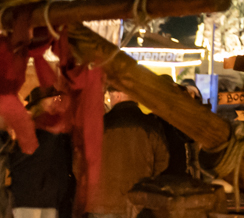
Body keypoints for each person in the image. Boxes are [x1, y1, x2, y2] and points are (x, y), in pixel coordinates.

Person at [88, 89, 168, 218]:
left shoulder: (98, 126)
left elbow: (80, 163)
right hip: (138, 203)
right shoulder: (151, 125)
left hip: (102, 203)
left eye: (110, 95)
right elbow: (162, 162)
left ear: (118, 95)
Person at [6, 86, 74, 218]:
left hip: (45, 197)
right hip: (31, 197)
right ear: (41, 103)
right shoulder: (33, 128)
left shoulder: (56, 132)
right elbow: (16, 161)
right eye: (52, 99)